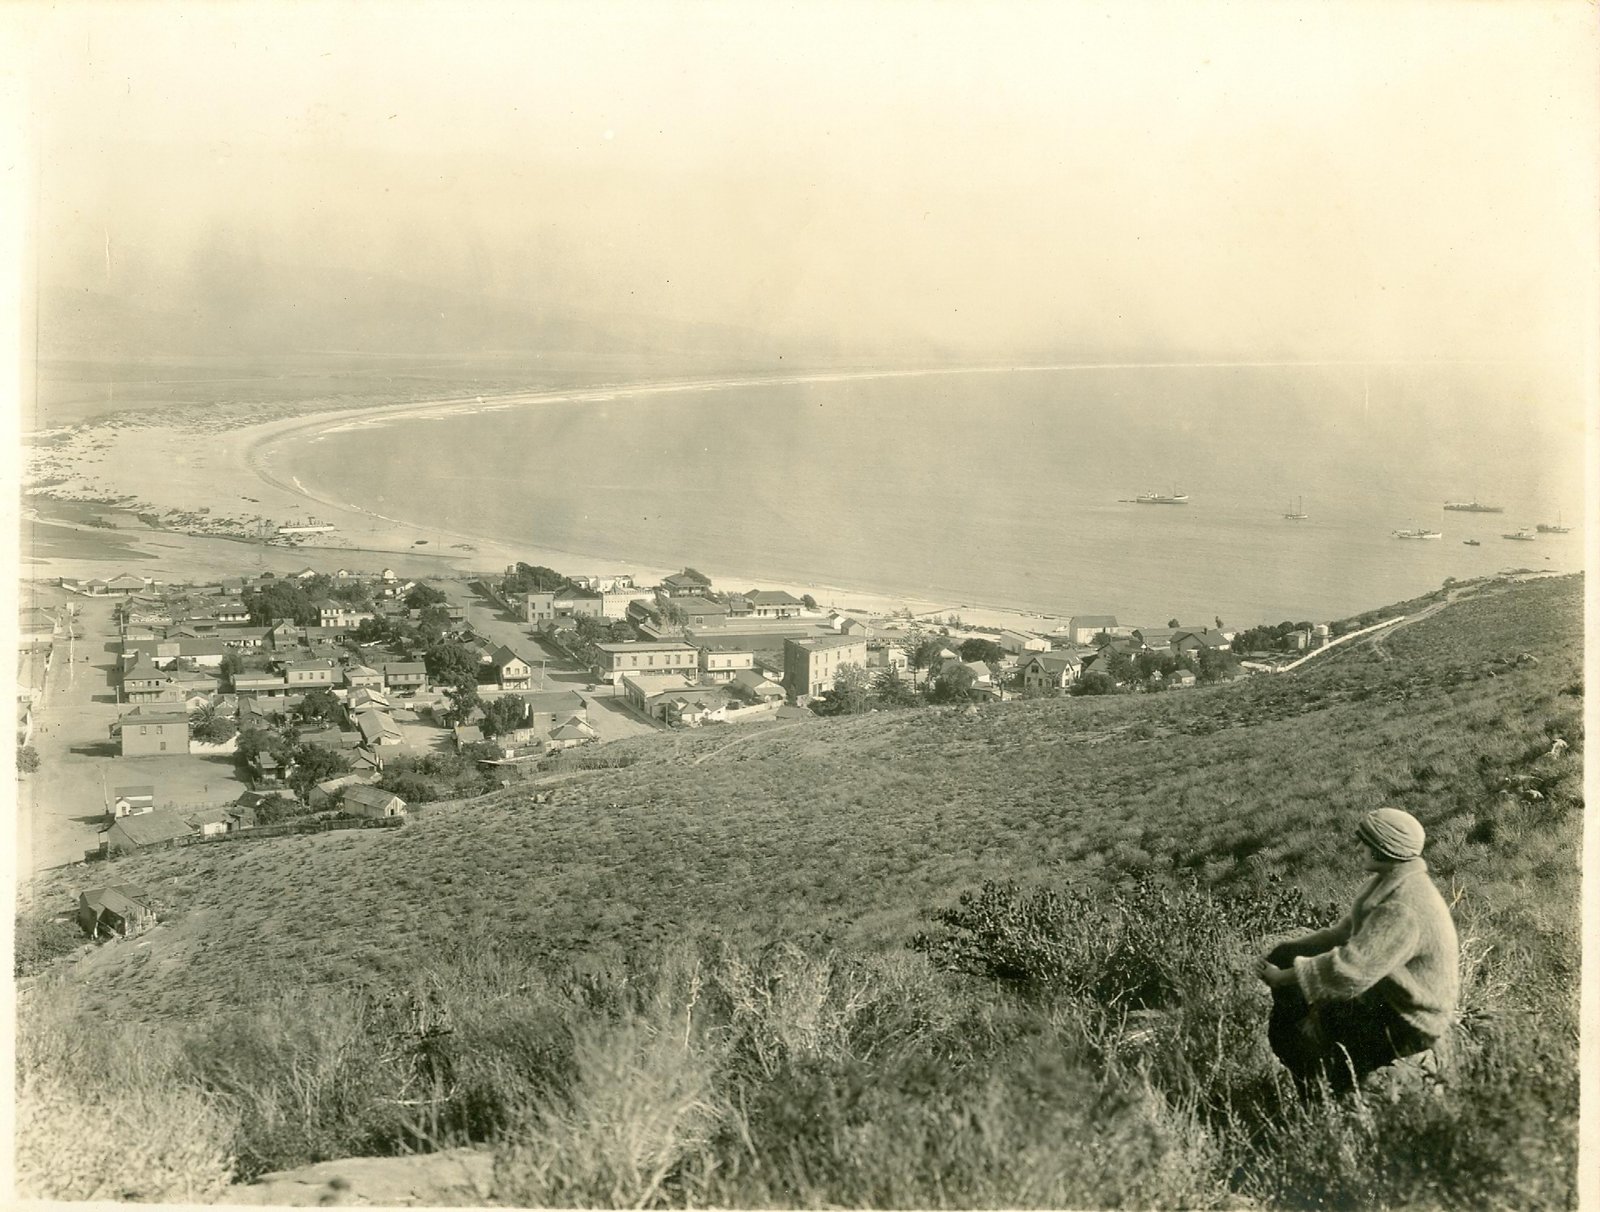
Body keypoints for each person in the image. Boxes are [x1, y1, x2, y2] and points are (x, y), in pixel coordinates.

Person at [1257, 807, 1460, 1092]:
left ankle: (1329, 1095)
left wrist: (1284, 977)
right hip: (1389, 996)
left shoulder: (1402, 907)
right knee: (1295, 1014)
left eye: (1366, 842)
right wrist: (1286, 951)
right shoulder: (1388, 883)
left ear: (1383, 849)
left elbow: (1351, 969)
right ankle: (1316, 1081)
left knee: (1307, 1039)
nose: (1360, 848)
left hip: (1411, 1019)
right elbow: (1343, 934)